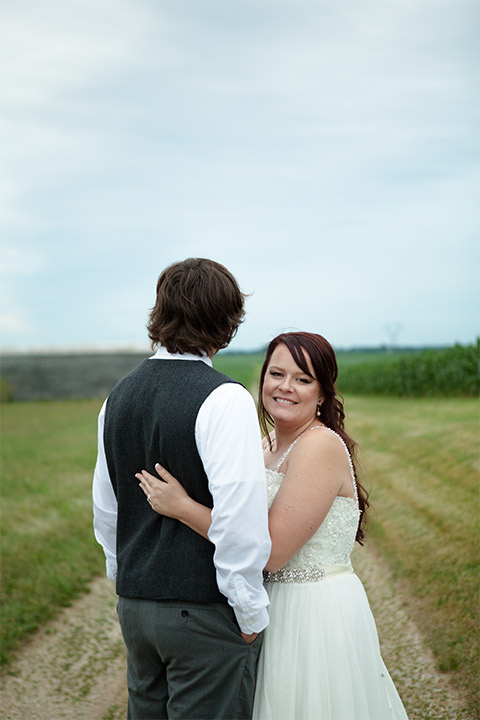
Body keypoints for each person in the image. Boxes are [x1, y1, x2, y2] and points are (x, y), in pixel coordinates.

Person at [137, 331, 410, 720]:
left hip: (312, 611)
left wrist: (183, 508)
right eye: (276, 374)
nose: (285, 387)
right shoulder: (265, 444)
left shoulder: (319, 446)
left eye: (302, 379)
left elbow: (274, 550)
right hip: (269, 606)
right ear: (262, 378)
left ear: (322, 394)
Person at [92, 258, 271, 720]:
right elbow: (240, 520)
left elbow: (106, 509)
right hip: (203, 613)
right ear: (226, 323)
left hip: (136, 607)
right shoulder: (225, 398)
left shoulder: (118, 397)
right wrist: (248, 615)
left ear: (161, 312)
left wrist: (127, 583)